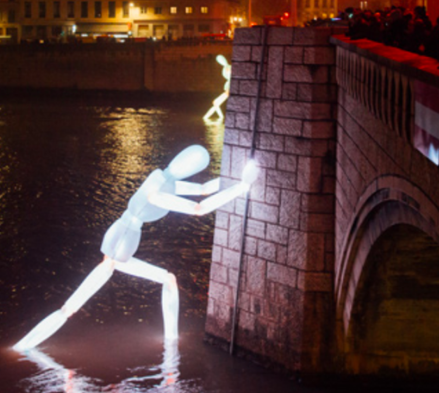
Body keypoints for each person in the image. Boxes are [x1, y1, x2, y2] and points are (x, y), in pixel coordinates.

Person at [13, 145, 259, 351]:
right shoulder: (157, 190)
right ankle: (24, 347)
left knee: (167, 279)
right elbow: (198, 208)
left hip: (121, 234)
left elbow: (203, 189)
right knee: (75, 303)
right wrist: (240, 189)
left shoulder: (162, 177)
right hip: (123, 239)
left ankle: (171, 342)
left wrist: (235, 179)